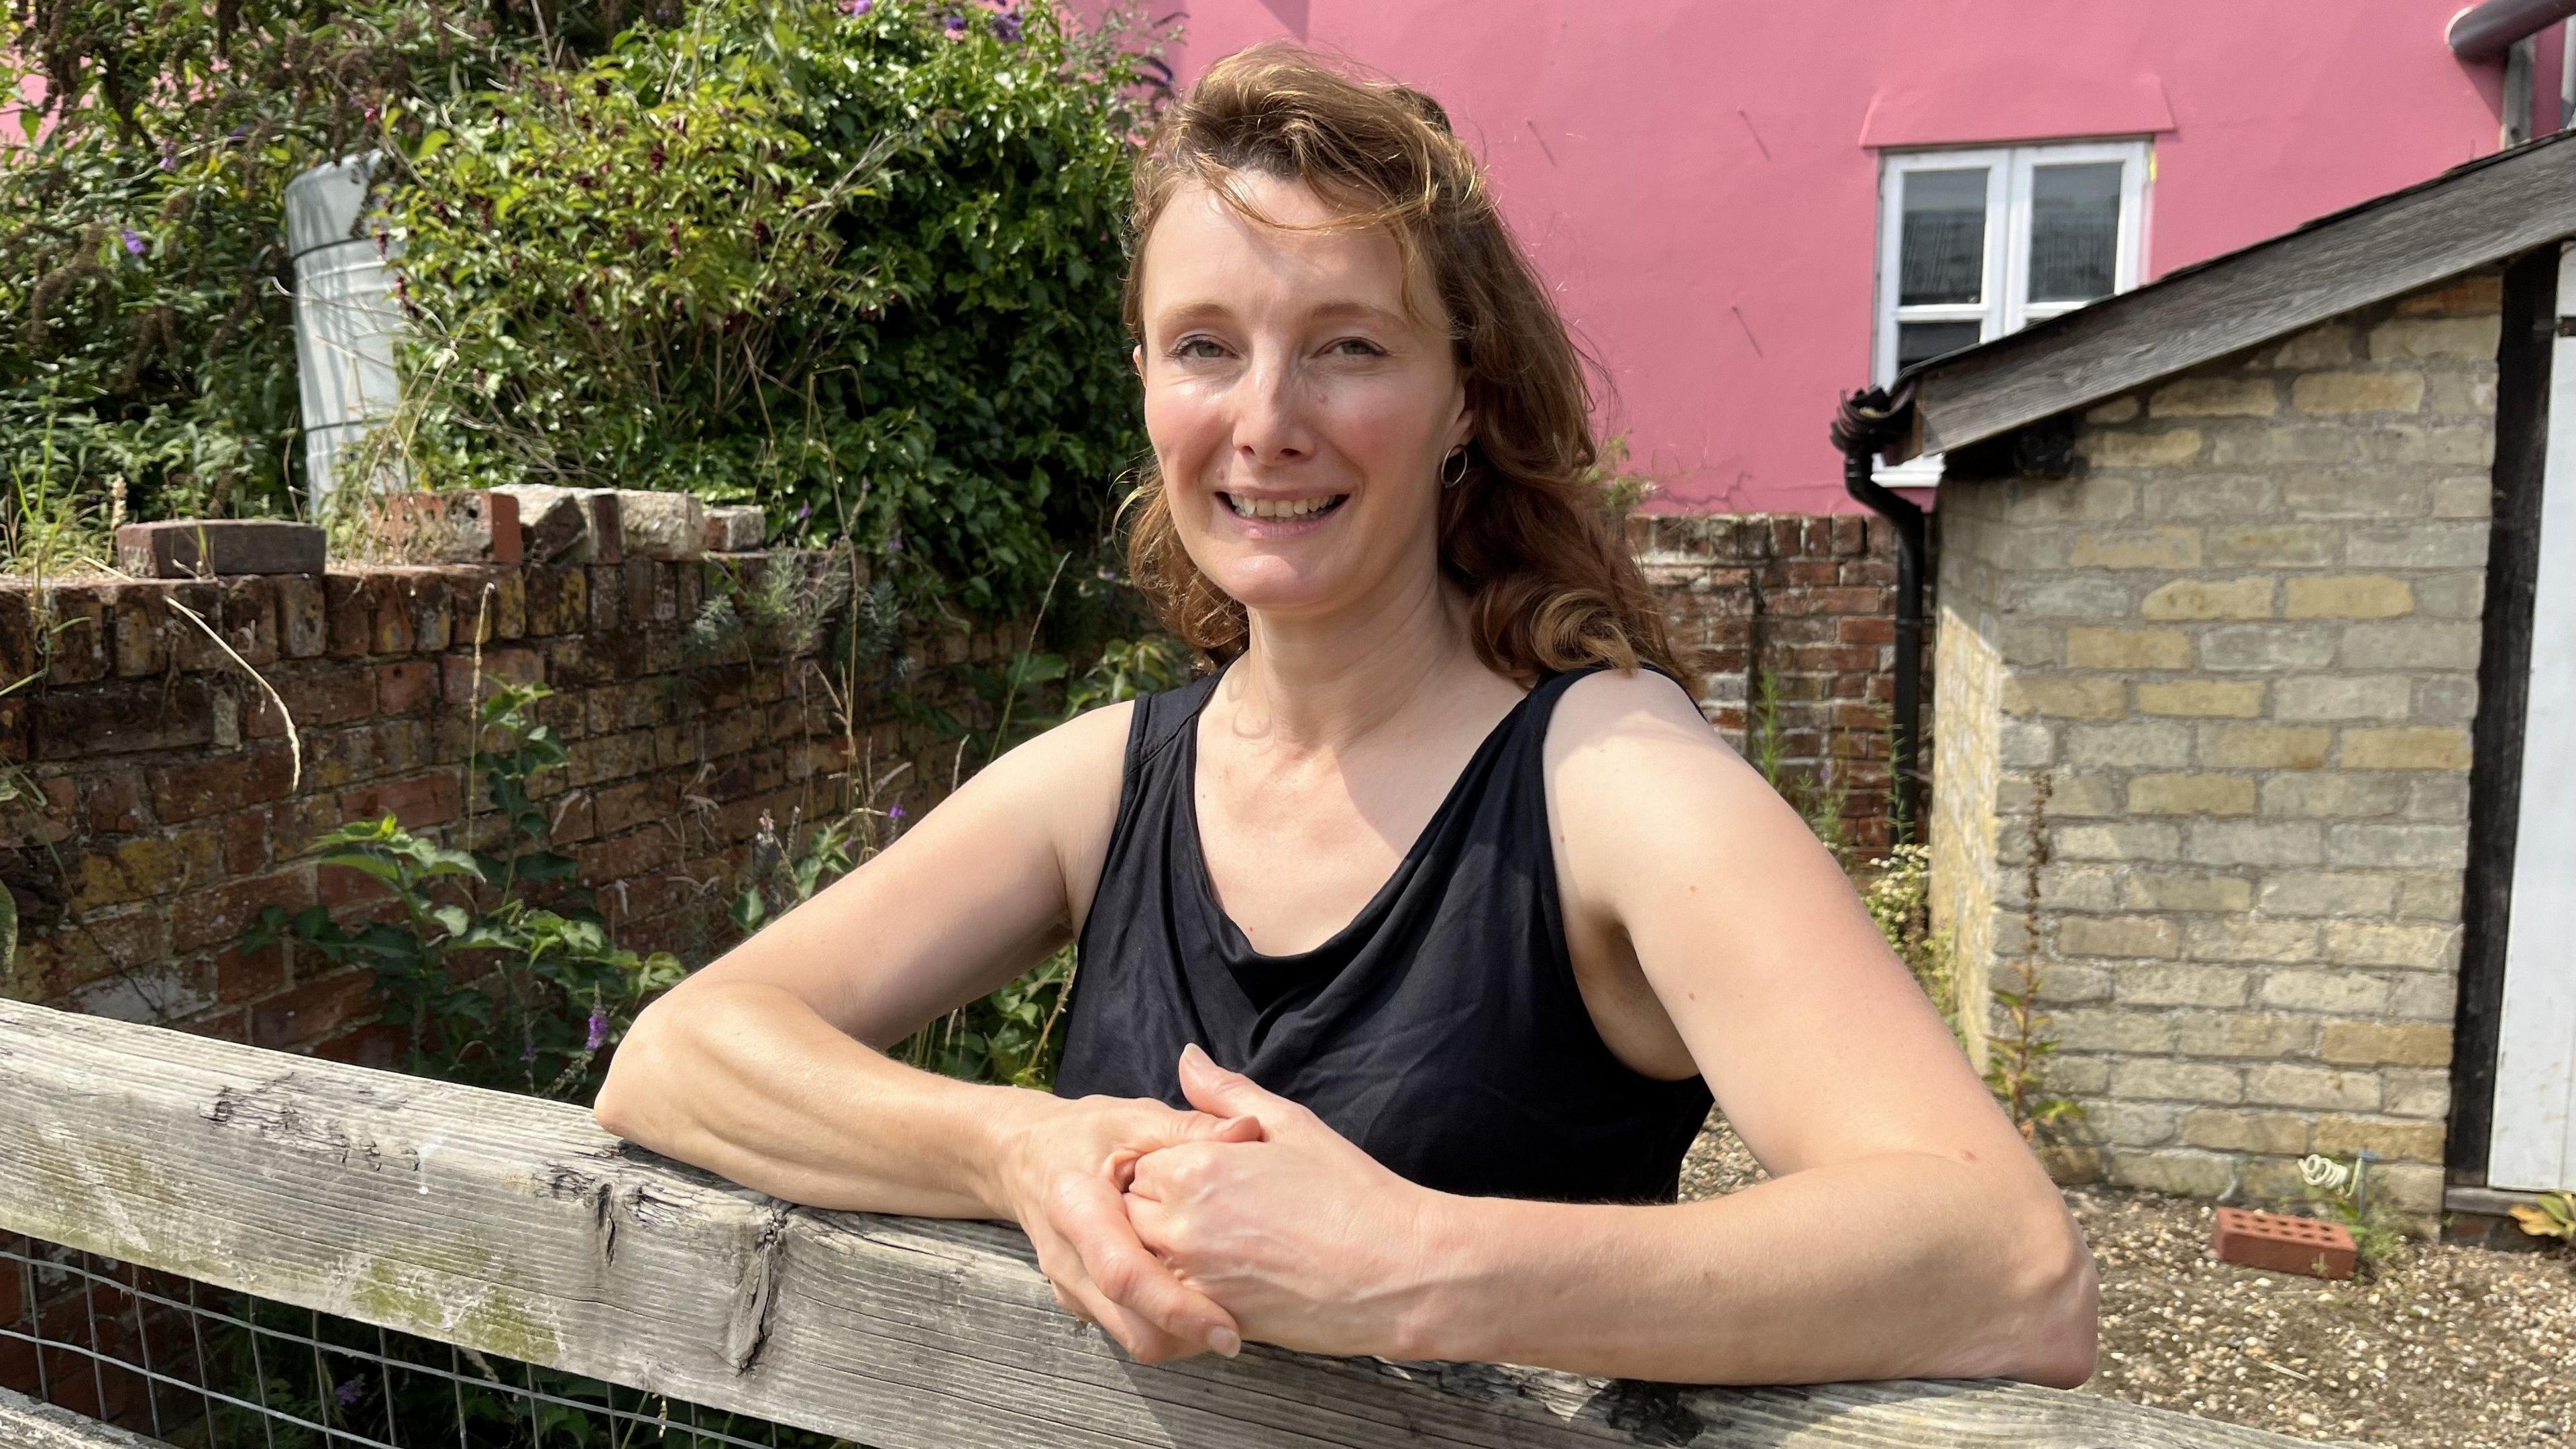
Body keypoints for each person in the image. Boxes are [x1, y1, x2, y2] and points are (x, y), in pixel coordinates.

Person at [593, 42, 2096, 1386]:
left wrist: (1414, 1265)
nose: (1266, 420)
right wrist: (1022, 1148)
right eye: (1204, 347)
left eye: (1349, 345)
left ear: (1464, 397)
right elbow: (674, 1055)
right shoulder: (1111, 780)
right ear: (1145, 388)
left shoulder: (1617, 784)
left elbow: (2006, 1263)